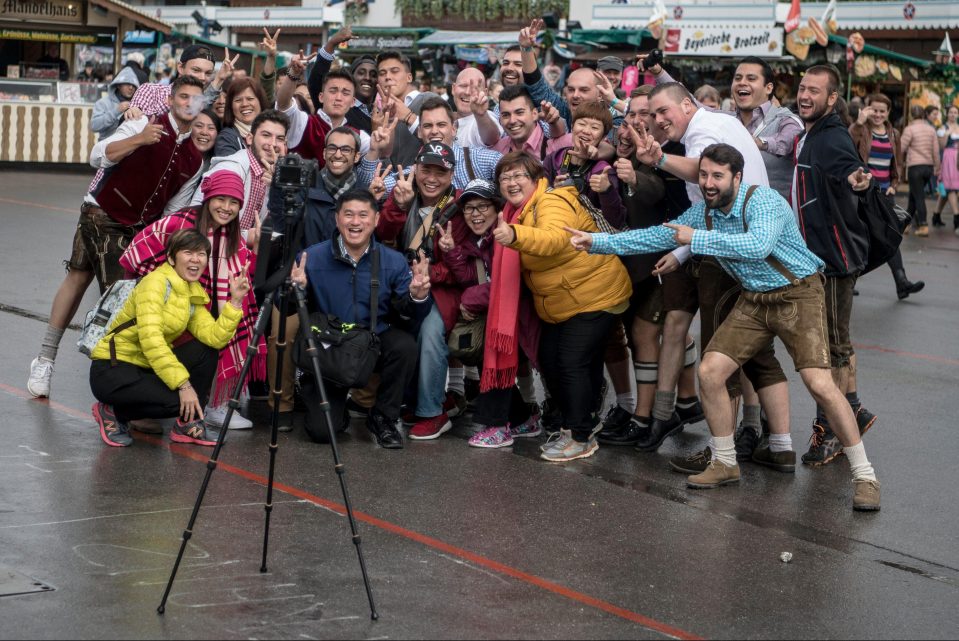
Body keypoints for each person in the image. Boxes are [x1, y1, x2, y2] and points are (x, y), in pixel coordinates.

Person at [568, 143, 882, 511]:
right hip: (753, 299)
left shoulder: (763, 202)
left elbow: (757, 246)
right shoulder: (705, 213)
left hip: (798, 295)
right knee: (711, 372)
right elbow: (657, 235)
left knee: (819, 383)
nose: (708, 183)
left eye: (717, 176)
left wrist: (694, 238)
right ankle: (725, 461)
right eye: (703, 175)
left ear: (737, 176)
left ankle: (865, 476)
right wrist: (596, 242)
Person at [27, 75, 207, 399]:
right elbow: (97, 156)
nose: (189, 104)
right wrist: (139, 140)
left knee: (105, 291)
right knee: (112, 295)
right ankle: (75, 371)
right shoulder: (143, 124)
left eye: (196, 99)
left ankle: (96, 371)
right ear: (170, 100)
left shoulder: (196, 156)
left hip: (138, 227)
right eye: (183, 97)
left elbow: (174, 208)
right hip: (102, 212)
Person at [492, 150, 632, 462]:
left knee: (570, 362)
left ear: (536, 179)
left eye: (518, 176)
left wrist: (514, 235)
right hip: (566, 301)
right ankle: (582, 421)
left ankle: (580, 436)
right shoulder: (519, 210)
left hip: (596, 293)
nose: (511, 183)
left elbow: (555, 238)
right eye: (505, 178)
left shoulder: (550, 201)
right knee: (550, 359)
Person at [120, 170, 265, 431]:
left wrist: (254, 252)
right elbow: (136, 251)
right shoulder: (179, 222)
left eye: (234, 203)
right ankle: (134, 409)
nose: (227, 208)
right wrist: (156, 287)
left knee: (207, 347)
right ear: (207, 197)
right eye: (221, 199)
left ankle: (205, 408)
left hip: (197, 309)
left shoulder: (230, 233)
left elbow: (242, 271)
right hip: (167, 307)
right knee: (152, 351)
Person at [290, 189, 432, 448]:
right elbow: (290, 308)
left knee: (404, 345)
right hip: (330, 345)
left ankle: (383, 417)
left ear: (376, 220)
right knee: (323, 433)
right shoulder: (311, 258)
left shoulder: (394, 261)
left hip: (372, 340)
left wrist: (418, 296)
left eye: (363, 215)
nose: (355, 222)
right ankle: (334, 409)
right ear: (337, 219)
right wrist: (296, 290)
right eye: (349, 215)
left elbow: (410, 316)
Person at [791, 64, 880, 465]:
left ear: (832, 99)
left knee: (830, 350)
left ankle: (831, 429)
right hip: (821, 258)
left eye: (815, 90)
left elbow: (853, 173)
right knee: (835, 344)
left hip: (831, 261)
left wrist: (859, 180)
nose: (805, 95)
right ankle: (853, 411)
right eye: (802, 88)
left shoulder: (831, 138)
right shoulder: (812, 132)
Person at [90, 229, 249, 448]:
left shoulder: (191, 290)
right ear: (172, 258)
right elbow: (151, 339)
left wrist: (235, 303)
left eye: (201, 254)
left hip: (145, 367)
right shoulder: (155, 284)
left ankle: (187, 423)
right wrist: (184, 386)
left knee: (206, 350)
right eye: (188, 252)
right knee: (180, 402)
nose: (196, 259)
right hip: (113, 368)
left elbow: (215, 338)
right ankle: (111, 410)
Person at [264, 126, 363, 430]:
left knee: (374, 324)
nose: (337, 154)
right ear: (323, 153)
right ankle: (280, 404)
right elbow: (281, 222)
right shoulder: (305, 185)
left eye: (345, 149)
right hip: (303, 281)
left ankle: (362, 399)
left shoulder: (366, 193)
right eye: (332, 148)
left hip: (348, 286)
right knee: (282, 327)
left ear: (356, 156)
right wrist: (279, 191)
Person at [438, 179, 542, 447]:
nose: (475, 214)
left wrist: (469, 299)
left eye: (482, 206)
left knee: (493, 358)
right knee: (488, 359)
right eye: (469, 208)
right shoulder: (477, 240)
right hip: (500, 318)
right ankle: (522, 419)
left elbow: (508, 283)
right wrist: (451, 253)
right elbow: (472, 279)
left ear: (497, 208)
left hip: (520, 320)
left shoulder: (506, 235)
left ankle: (497, 427)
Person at [376, 142, 469, 438]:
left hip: (443, 292)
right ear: (415, 169)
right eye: (426, 169)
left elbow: (462, 265)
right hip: (406, 286)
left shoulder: (459, 206)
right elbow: (382, 237)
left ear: (451, 174)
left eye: (440, 172)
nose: (432, 178)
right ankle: (417, 401)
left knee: (430, 333)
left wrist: (429, 272)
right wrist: (397, 206)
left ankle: (434, 412)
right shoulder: (404, 194)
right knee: (399, 333)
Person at [848, 93, 924, 299]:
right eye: (874, 110)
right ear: (867, 109)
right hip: (863, 192)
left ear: (889, 112)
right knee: (859, 237)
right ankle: (848, 281)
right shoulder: (861, 130)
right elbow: (847, 144)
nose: (878, 114)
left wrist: (894, 184)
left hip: (884, 195)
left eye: (883, 111)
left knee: (891, 236)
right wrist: (858, 122)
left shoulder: (894, 134)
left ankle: (902, 282)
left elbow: (897, 162)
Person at [359, 97, 502, 192]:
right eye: (428, 126)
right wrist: (373, 150)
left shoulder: (476, 159)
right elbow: (371, 188)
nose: (434, 131)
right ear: (419, 131)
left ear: (453, 129)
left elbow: (514, 171)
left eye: (441, 125)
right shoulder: (413, 172)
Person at [191, 109, 290, 236]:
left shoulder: (274, 176)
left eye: (280, 138)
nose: (273, 144)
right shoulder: (230, 168)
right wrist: (247, 236)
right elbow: (195, 218)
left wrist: (278, 188)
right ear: (249, 138)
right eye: (266, 135)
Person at [307, 26, 377, 132]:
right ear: (352, 78)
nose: (367, 78)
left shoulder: (380, 112)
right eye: (361, 73)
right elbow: (316, 80)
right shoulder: (339, 106)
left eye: (373, 74)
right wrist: (332, 43)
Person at [492, 85, 566, 160]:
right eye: (506, 115)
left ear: (534, 114)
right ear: (500, 119)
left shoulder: (557, 146)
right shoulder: (496, 151)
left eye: (519, 112)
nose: (512, 120)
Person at [900, 104, 941, 236]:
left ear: (911, 115)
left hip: (915, 167)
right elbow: (936, 151)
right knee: (913, 196)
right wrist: (937, 168)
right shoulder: (931, 130)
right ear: (923, 115)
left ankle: (923, 225)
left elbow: (901, 148)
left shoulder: (909, 129)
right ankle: (905, 225)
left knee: (918, 197)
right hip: (928, 168)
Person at [214, 77, 269, 157]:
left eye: (250, 99)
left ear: (261, 102)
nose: (245, 104)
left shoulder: (273, 132)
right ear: (230, 106)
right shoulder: (226, 138)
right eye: (238, 100)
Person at [90, 67, 140, 141]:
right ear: (118, 85)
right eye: (127, 84)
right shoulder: (103, 103)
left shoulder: (138, 104)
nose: (131, 87)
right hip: (106, 148)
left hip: (131, 149)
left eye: (133, 85)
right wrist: (116, 111)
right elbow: (94, 126)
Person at [933, 105, 959, 230]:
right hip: (948, 158)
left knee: (945, 191)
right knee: (950, 188)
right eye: (951, 112)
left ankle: (936, 216)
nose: (953, 115)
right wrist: (947, 135)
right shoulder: (943, 128)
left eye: (955, 112)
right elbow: (941, 146)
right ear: (947, 114)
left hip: (958, 158)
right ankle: (957, 218)